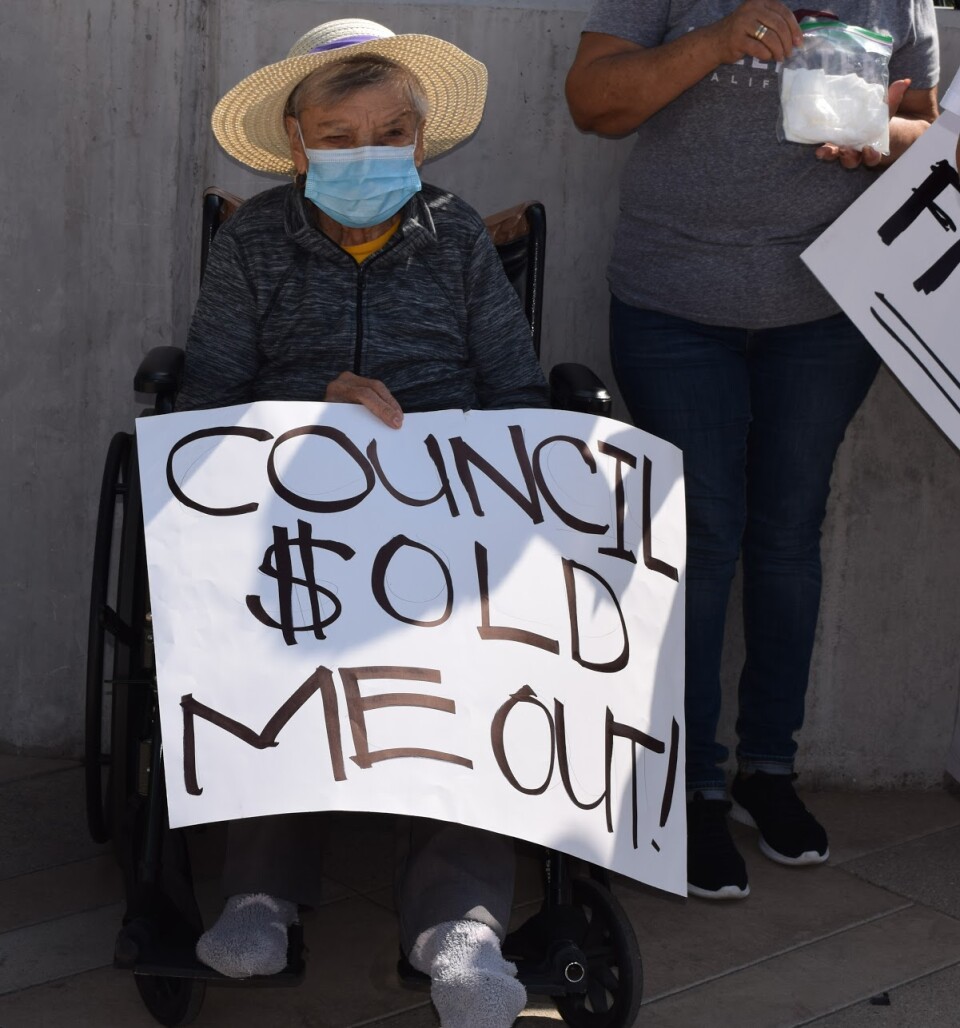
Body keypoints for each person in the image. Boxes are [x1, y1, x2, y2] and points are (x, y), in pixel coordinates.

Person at [176, 18, 548, 1028]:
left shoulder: (460, 234)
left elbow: (516, 387)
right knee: (267, 630)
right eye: (337, 136)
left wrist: (421, 436)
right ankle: (259, 894)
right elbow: (205, 392)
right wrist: (305, 419)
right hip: (287, 509)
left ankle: (459, 923)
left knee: (475, 647)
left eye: (389, 131)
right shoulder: (255, 239)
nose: (365, 152)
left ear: (421, 140)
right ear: (296, 145)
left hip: (439, 509)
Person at [565, 2, 939, 900]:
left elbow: (923, 125)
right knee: (699, 538)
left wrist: (875, 137)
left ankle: (768, 769)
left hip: (830, 311)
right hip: (672, 305)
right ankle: (689, 783)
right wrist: (718, 39)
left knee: (786, 535)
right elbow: (592, 101)